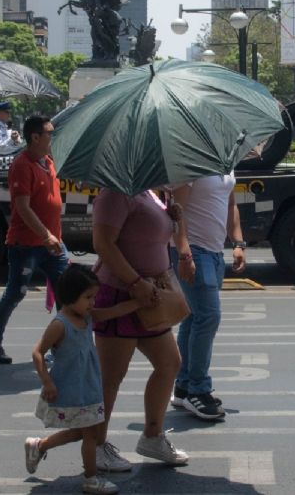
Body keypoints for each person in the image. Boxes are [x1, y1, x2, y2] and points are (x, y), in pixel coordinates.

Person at [90, 188, 189, 472]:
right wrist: (135, 282)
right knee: (111, 377)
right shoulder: (114, 193)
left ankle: (152, 436)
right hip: (122, 294)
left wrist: (172, 219)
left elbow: (145, 235)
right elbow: (103, 244)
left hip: (151, 297)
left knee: (169, 363)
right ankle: (96, 446)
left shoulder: (150, 193)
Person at [26, 264, 143, 495]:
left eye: (94, 297)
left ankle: (39, 445)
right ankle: (90, 479)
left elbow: (113, 311)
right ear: (70, 297)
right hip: (71, 388)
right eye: (88, 297)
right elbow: (37, 352)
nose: (93, 302)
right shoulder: (61, 325)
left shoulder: (87, 317)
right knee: (90, 434)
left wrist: (139, 303)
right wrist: (47, 381)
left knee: (81, 433)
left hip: (88, 386)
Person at [0, 116, 67, 365]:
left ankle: (63, 347)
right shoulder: (22, 165)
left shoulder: (47, 162)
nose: (53, 137)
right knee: (15, 292)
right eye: (49, 133)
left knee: (67, 294)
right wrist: (45, 235)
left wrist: (52, 237)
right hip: (26, 244)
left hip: (53, 243)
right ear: (35, 137)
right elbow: (23, 207)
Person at [168, 173, 246, 420]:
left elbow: (231, 203)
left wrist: (238, 242)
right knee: (209, 316)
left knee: (193, 318)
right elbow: (177, 210)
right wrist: (183, 252)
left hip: (214, 252)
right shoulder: (191, 162)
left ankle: (184, 386)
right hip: (195, 251)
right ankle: (198, 390)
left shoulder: (226, 163)